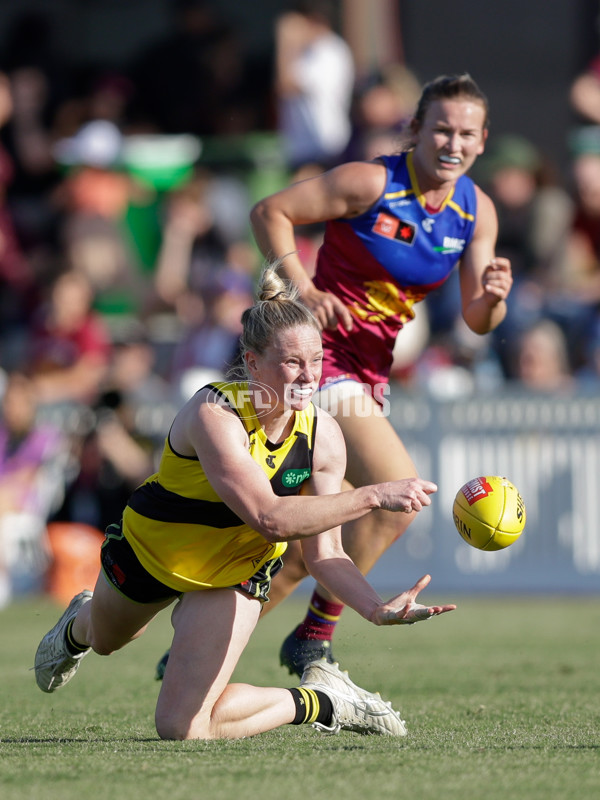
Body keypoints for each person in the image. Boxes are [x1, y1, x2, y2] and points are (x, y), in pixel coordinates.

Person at [34, 265, 455, 741]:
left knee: (183, 728)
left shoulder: (324, 437)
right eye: (292, 361)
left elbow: (325, 554)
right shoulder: (214, 414)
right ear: (253, 363)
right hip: (155, 550)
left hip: (235, 568)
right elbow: (269, 518)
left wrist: (375, 609)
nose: (308, 376)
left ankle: (323, 700)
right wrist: (374, 494)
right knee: (110, 639)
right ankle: (77, 627)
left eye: (316, 360)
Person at [245, 73, 513, 678]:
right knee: (399, 495)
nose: (452, 141)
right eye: (440, 127)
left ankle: (201, 641)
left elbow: (476, 319)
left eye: (466, 133)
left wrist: (495, 297)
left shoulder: (475, 210)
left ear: (481, 141)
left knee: (303, 543)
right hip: (319, 360)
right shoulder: (374, 181)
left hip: (370, 371)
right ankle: (314, 638)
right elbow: (271, 211)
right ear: (415, 129)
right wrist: (304, 288)